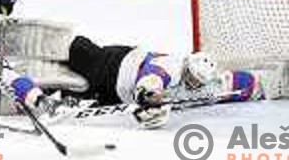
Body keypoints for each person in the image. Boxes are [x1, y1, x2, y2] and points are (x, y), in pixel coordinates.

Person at [64, 36, 265, 128]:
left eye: (198, 81)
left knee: (79, 90)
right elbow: (150, 81)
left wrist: (259, 87)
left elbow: (241, 82)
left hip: (117, 93)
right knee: (78, 54)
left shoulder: (210, 82)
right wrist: (150, 99)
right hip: (115, 65)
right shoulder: (171, 67)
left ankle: (54, 96)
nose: (194, 83)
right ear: (187, 67)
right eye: (191, 77)